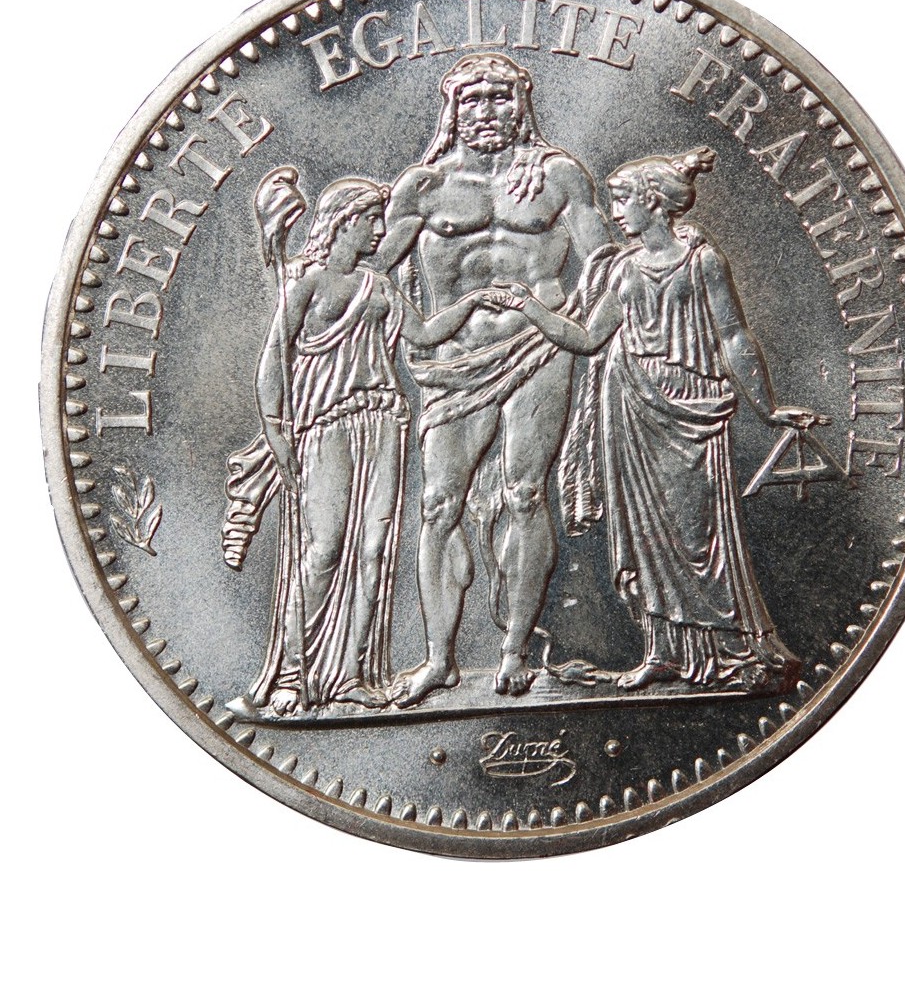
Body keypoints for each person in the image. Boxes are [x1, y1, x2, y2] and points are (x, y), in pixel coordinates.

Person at [485, 148, 806, 694]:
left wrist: (767, 408)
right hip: (632, 404)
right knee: (644, 535)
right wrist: (530, 309)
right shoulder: (624, 269)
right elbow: (588, 338)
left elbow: (734, 336)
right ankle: (663, 651)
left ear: (654, 202)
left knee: (700, 534)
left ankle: (733, 648)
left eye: (623, 200)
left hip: (692, 405)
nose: (615, 212)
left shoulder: (702, 260)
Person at [372, 53, 613, 704]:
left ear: (521, 105)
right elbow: (374, 272)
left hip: (539, 347)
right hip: (453, 359)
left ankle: (513, 653)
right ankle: (438, 660)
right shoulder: (423, 187)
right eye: (473, 99)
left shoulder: (558, 175)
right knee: (439, 503)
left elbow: (604, 264)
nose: (487, 111)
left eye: (500, 97)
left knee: (526, 493)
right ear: (453, 110)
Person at [223, 176, 494, 715]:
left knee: (373, 551)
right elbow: (274, 358)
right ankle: (293, 674)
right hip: (324, 425)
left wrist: (475, 302)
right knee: (323, 549)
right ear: (345, 221)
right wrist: (275, 429)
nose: (379, 230)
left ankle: (351, 673)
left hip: (380, 421)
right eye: (372, 220)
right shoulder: (305, 281)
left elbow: (423, 334)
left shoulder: (378, 285)